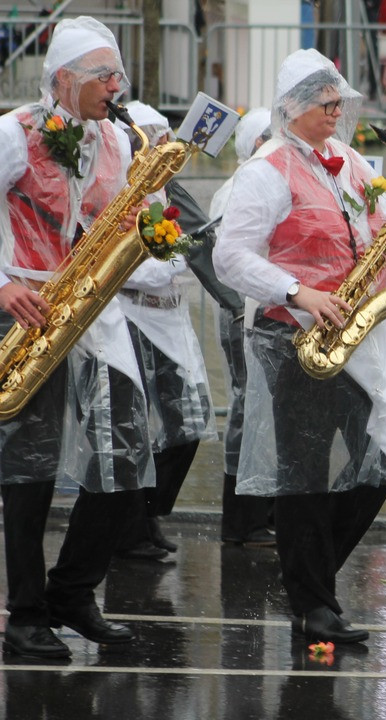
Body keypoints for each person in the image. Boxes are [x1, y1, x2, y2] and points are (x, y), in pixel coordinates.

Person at [214, 48, 386, 644]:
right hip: (292, 337)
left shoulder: (345, 163)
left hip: (353, 337)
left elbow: (380, 241)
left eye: (338, 102)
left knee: (380, 466)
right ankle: (313, 604)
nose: (336, 112)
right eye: (325, 103)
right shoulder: (267, 168)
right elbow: (230, 256)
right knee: (304, 473)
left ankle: (308, 579)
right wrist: (298, 292)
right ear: (292, 107)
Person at [0, 16, 154, 658]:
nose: (115, 87)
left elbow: (109, 221)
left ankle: (73, 591)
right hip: (28, 302)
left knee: (129, 448)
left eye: (118, 74)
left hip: (90, 309)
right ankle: (27, 612)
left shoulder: (116, 140)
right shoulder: (13, 132)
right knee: (28, 467)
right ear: (62, 80)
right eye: (103, 76)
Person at [110, 101, 217, 561]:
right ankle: (131, 528)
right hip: (133, 315)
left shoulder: (159, 196)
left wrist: (174, 257)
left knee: (189, 424)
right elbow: (123, 264)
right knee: (131, 428)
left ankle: (148, 510)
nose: (160, 147)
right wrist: (166, 262)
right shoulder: (118, 191)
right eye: (151, 139)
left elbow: (171, 259)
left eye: (161, 138)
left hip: (170, 315)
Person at [207, 107, 276, 547]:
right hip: (242, 314)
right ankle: (241, 519)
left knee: (263, 412)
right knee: (246, 408)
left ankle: (259, 512)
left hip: (263, 312)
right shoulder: (236, 190)